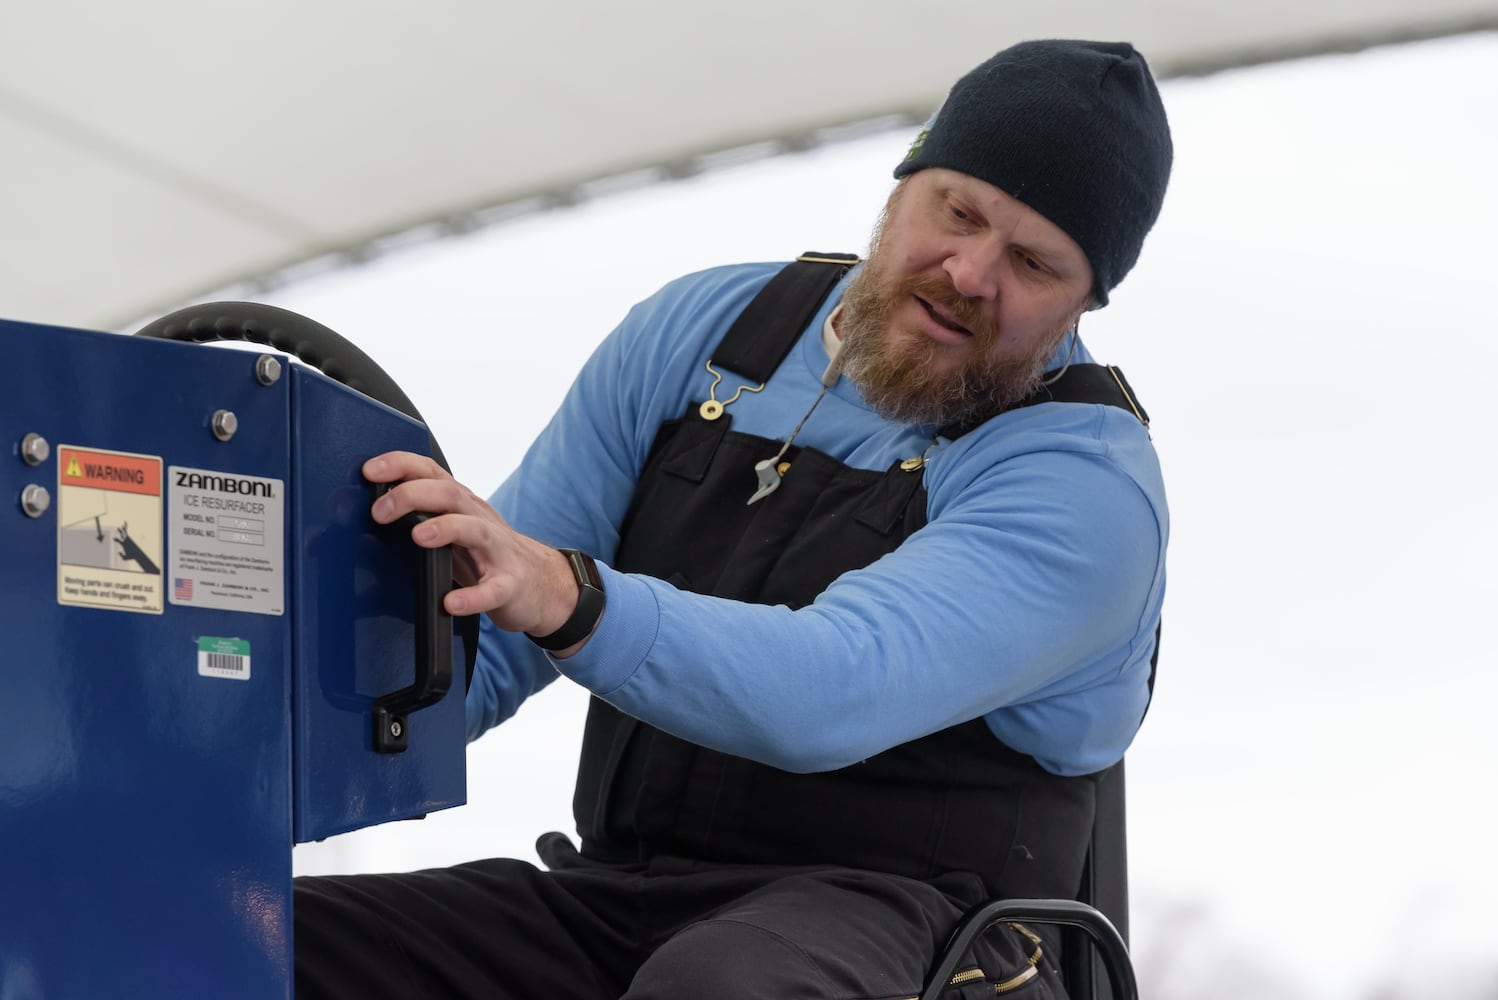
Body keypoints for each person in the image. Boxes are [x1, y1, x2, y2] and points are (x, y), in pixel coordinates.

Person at [295, 38, 1173, 1000]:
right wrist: (256, 738)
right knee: (258, 936)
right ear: (903, 185)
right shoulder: (704, 333)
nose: (969, 272)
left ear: (1085, 301)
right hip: (627, 902)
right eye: (957, 212)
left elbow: (835, 686)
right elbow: (480, 642)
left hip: (938, 940)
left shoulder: (1083, 482)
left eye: (1033, 263)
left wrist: (572, 598)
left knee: (723, 983)